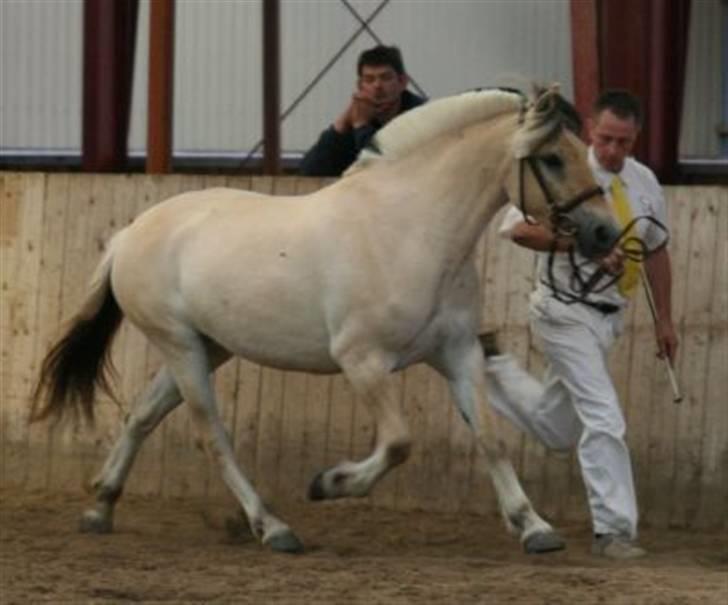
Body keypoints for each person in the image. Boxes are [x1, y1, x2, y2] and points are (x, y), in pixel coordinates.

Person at [479, 90, 678, 560]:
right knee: (603, 415)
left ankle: (488, 367)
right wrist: (580, 246)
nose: (612, 150)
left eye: (623, 142)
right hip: (561, 311)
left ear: (636, 139)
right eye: (606, 138)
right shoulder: (566, 166)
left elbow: (657, 251)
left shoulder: (645, 182)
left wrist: (665, 320)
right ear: (590, 128)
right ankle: (614, 530)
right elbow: (517, 228)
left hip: (609, 318)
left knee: (557, 429)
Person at [300, 45, 425, 177]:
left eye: (385, 78)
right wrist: (342, 122)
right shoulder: (360, 114)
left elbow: (384, 170)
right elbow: (309, 171)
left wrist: (361, 126)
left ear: (402, 82)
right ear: (360, 86)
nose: (377, 86)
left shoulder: (421, 116)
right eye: (369, 79)